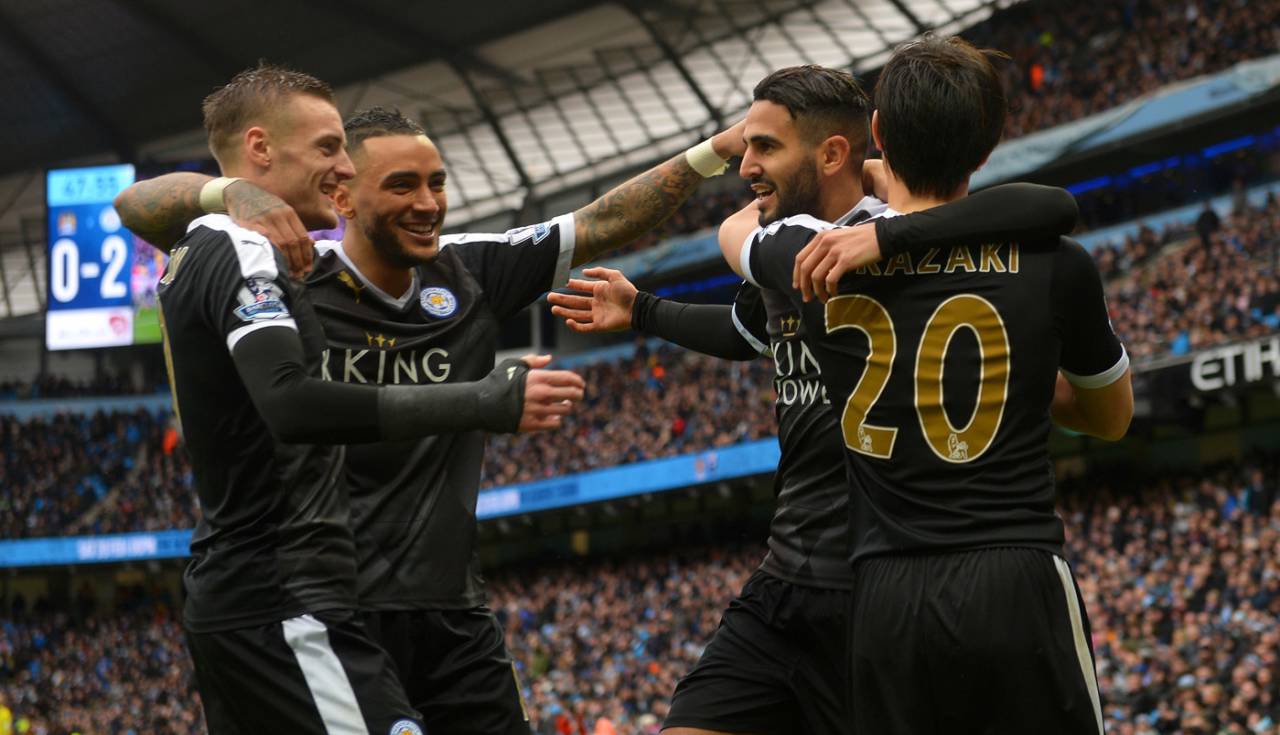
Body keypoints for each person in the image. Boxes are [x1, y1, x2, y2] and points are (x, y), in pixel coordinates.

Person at [118, 103, 748, 734]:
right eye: (402, 185)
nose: (428, 202)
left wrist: (714, 150)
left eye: (436, 182)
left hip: (452, 617)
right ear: (343, 196)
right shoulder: (287, 283)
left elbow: (603, 220)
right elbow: (139, 204)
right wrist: (232, 190)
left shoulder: (470, 270)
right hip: (331, 609)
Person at [549, 65, 1080, 735]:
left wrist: (887, 221)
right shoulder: (786, 252)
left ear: (833, 153)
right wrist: (645, 310)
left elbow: (1041, 217)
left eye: (764, 147)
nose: (748, 167)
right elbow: (750, 331)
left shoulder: (904, 243)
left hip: (877, 587)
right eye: (748, 148)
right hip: (786, 578)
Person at [154, 64, 582, 734]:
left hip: (270, 599)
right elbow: (291, 405)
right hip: (282, 602)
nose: (341, 168)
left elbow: (143, 206)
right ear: (261, 148)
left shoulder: (210, 243)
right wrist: (482, 400)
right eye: (327, 148)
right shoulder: (241, 247)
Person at [721, 37, 1133, 734]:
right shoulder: (1056, 265)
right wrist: (1021, 376)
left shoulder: (813, 263)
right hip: (1015, 574)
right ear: (988, 146)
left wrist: (884, 230)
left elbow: (737, 231)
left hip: (884, 595)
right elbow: (1111, 417)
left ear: (875, 135)